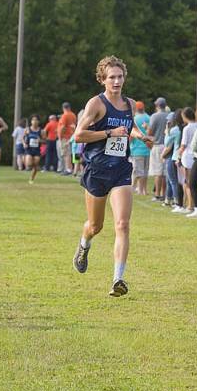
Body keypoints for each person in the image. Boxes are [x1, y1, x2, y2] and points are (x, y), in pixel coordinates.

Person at [72, 56, 150, 297]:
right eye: (112, 77)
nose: (117, 81)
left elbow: (129, 125)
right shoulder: (96, 104)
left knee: (123, 224)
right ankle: (84, 245)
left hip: (120, 171)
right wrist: (108, 132)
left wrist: (139, 135)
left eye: (120, 76)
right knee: (95, 225)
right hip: (97, 171)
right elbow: (78, 135)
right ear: (103, 80)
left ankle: (118, 278)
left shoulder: (129, 104)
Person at [178, 107, 197, 215]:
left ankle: (190, 205)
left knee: (187, 183)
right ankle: (190, 204)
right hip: (196, 156)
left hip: (187, 156)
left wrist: (178, 155)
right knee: (193, 183)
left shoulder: (187, 128)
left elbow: (183, 144)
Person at [147, 98, 169, 201]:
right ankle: (165, 194)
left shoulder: (154, 116)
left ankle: (157, 194)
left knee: (157, 172)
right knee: (165, 172)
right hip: (167, 146)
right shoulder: (169, 116)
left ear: (157, 105)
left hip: (157, 145)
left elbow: (150, 132)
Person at [162, 109, 184, 210]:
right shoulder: (183, 128)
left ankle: (176, 202)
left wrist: (167, 132)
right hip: (180, 156)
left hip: (174, 156)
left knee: (173, 181)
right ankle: (171, 200)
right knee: (175, 180)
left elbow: (167, 143)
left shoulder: (174, 129)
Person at [130, 101, 151, 196]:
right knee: (145, 171)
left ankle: (137, 189)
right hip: (147, 148)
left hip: (137, 149)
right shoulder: (148, 117)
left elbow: (132, 134)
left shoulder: (135, 118)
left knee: (138, 171)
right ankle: (144, 190)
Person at [58, 102, 78, 175]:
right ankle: (69, 168)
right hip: (72, 136)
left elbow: (62, 127)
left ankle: (68, 169)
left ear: (63, 108)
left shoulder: (65, 116)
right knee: (69, 153)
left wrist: (60, 137)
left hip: (65, 137)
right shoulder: (73, 115)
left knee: (66, 154)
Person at [23, 116, 43, 183]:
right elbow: (22, 138)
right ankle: (24, 159)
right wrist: (24, 144)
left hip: (37, 150)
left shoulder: (41, 131)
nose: (34, 121)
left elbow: (46, 141)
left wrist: (40, 141)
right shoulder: (27, 129)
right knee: (29, 164)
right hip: (29, 149)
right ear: (31, 121)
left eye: (36, 120)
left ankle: (31, 178)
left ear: (38, 122)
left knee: (35, 163)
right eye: (33, 120)